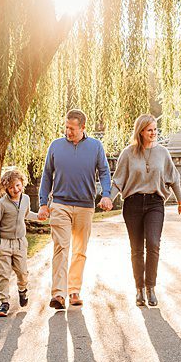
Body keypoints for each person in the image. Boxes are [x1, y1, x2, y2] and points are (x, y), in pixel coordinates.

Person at [37, 109, 112, 310]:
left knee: (80, 250)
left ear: (82, 128)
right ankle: (59, 294)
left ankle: (74, 291)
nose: (68, 132)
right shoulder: (56, 146)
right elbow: (46, 176)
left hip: (85, 206)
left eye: (72, 128)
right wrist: (43, 203)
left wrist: (106, 194)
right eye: (66, 127)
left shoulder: (96, 146)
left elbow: (104, 172)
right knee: (61, 247)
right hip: (60, 203)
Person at [111, 114, 181, 307]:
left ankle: (151, 288)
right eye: (149, 130)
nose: (153, 133)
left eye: (155, 129)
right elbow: (118, 180)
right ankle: (139, 290)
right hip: (133, 204)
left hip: (155, 203)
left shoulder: (163, 153)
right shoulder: (128, 153)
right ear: (141, 132)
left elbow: (173, 178)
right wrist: (108, 198)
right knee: (136, 249)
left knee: (153, 244)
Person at [0, 167, 31, 317]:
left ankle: (22, 290)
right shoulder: (2, 204)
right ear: (6, 188)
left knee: (22, 273)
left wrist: (41, 216)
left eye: (18, 185)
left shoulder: (25, 199)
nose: (15, 189)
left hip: (20, 243)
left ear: (22, 184)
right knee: (4, 274)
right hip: (4, 243)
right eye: (11, 187)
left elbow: (26, 215)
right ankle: (4, 303)